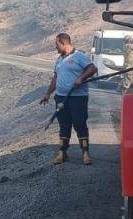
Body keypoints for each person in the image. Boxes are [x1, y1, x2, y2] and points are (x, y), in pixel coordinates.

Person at [39, 32, 97, 165]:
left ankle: (85, 153)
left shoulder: (79, 56)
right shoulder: (59, 60)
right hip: (61, 98)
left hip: (78, 98)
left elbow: (92, 68)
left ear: (64, 43)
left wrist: (81, 78)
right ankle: (62, 152)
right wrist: (48, 94)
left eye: (57, 44)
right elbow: (56, 78)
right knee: (64, 124)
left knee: (79, 123)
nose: (55, 47)